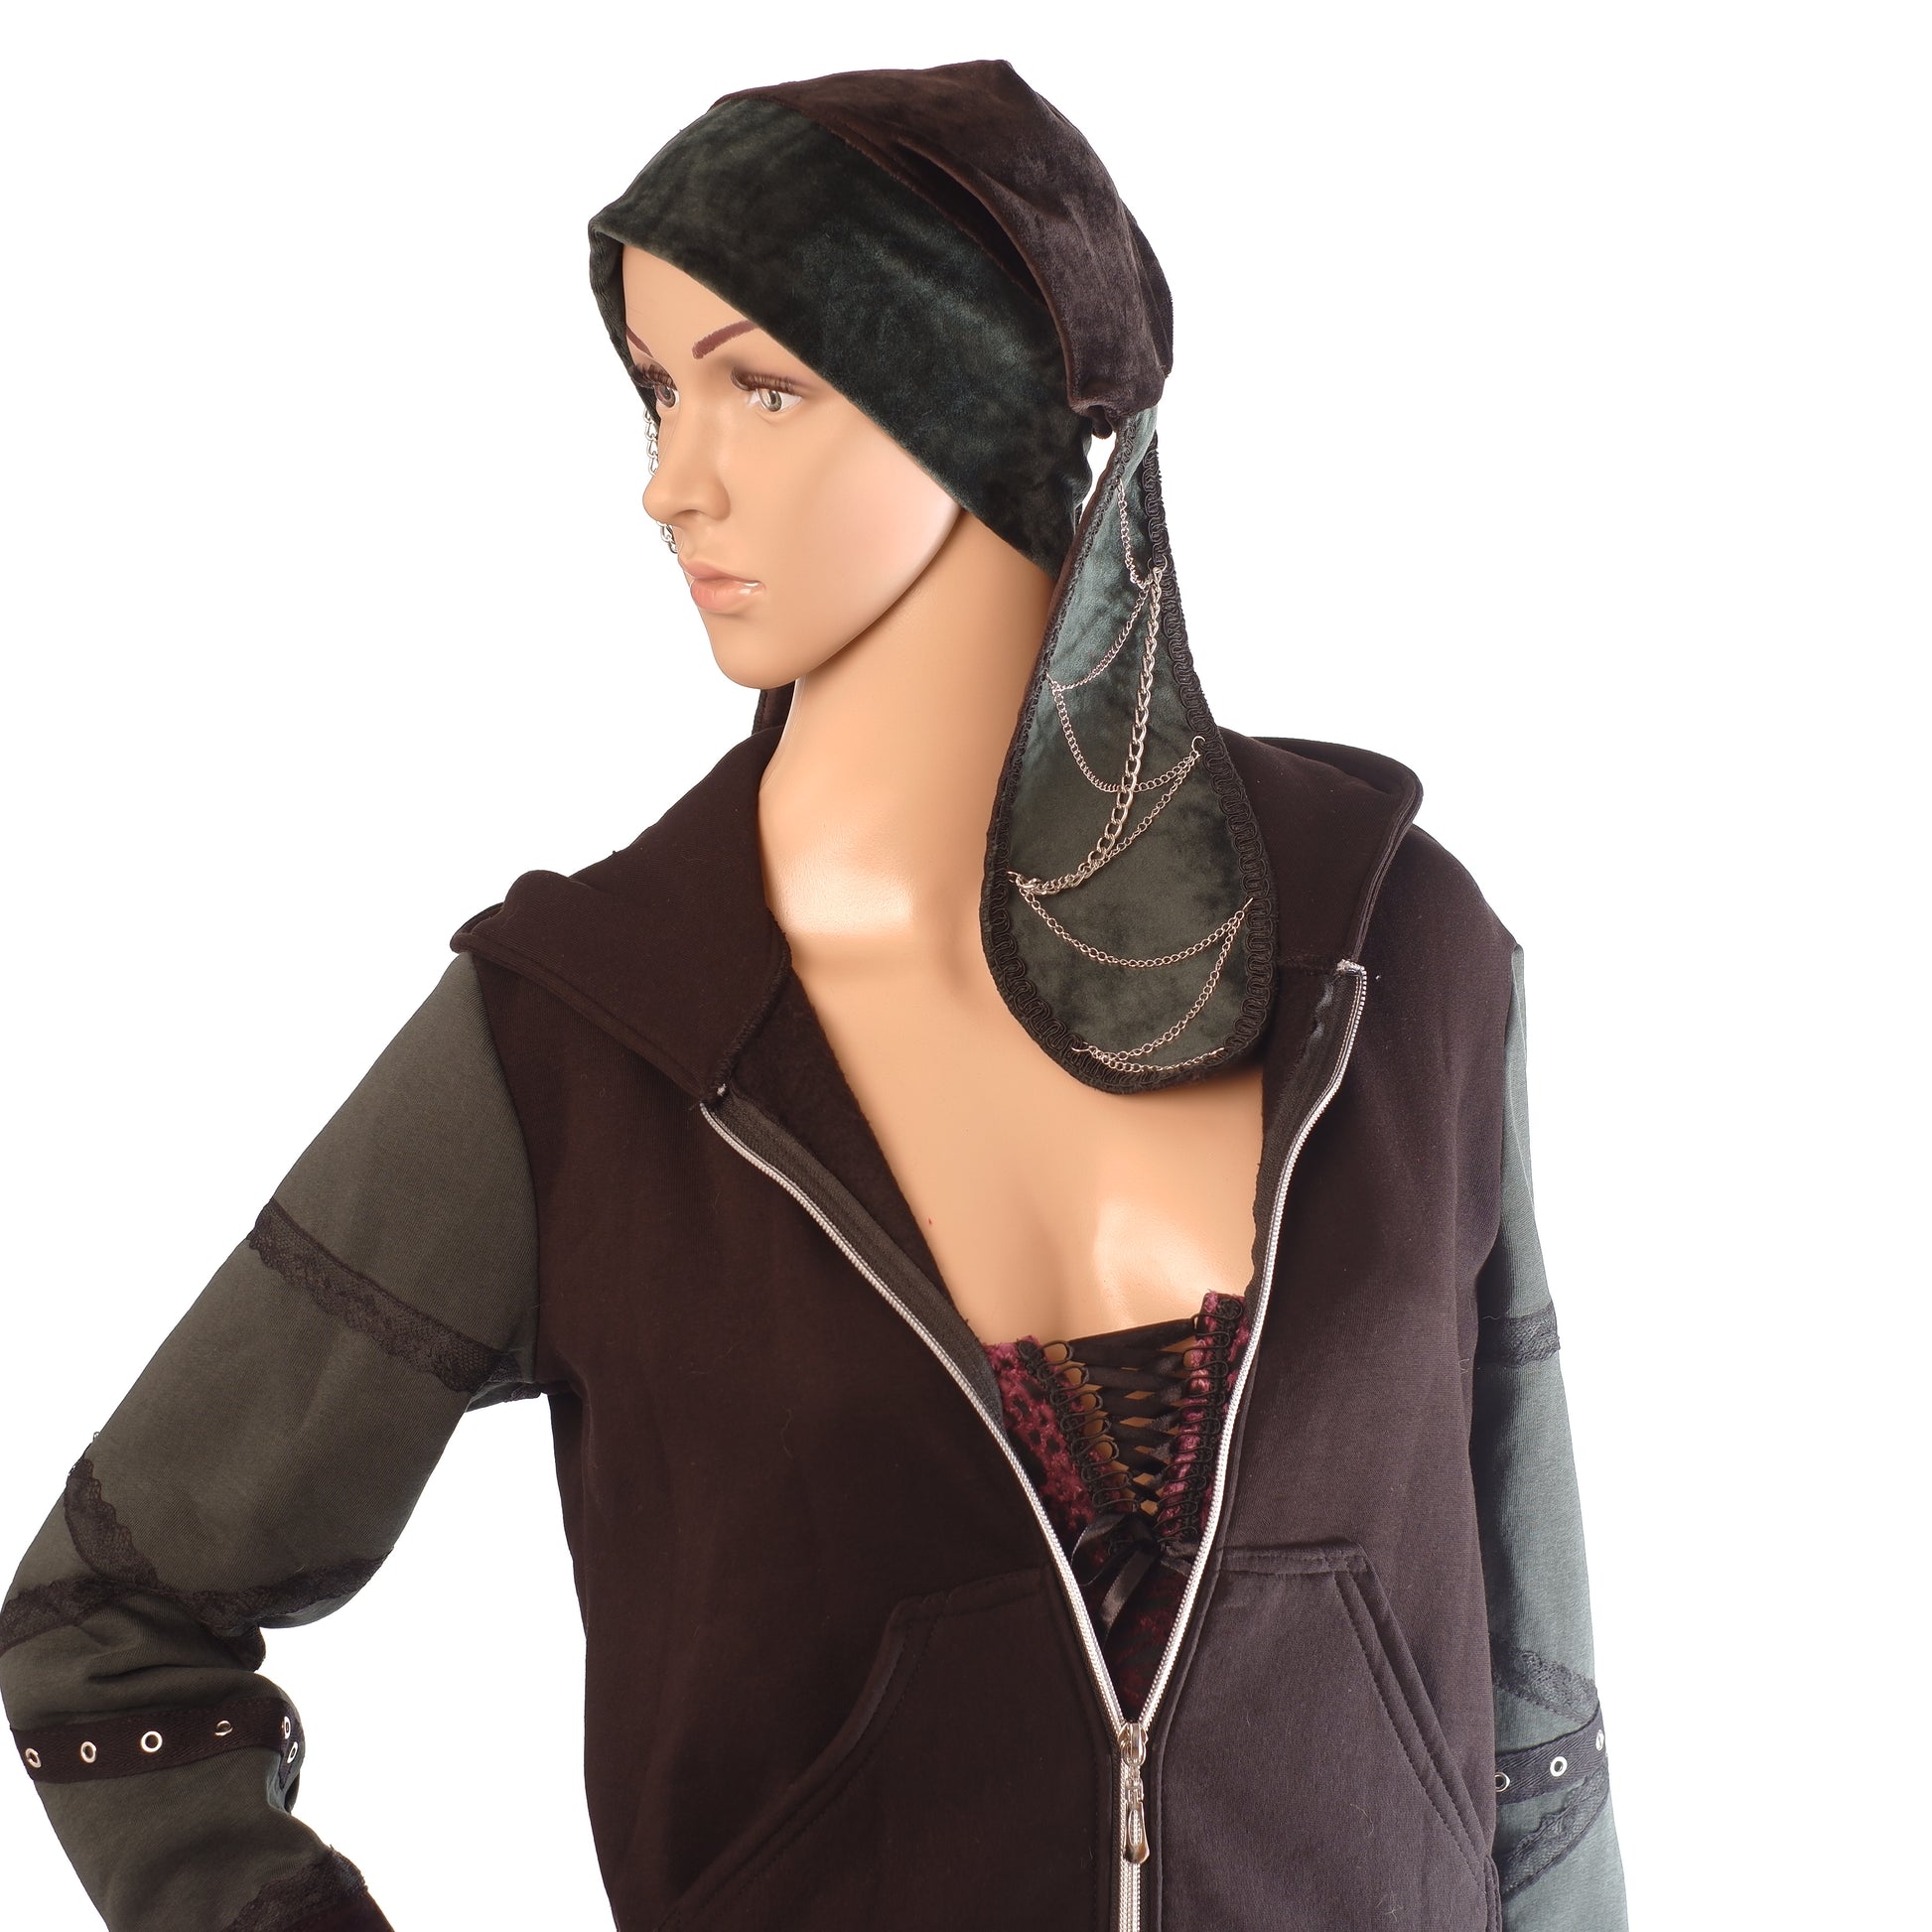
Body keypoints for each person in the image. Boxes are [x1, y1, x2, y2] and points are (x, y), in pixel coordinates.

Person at [2, 58, 1628, 1932]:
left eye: (761, 386)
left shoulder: (1391, 950)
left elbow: (1531, 1713)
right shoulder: (589, 1034)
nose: (666, 483)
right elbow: (106, 1629)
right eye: (655, 389)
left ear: (978, 395)